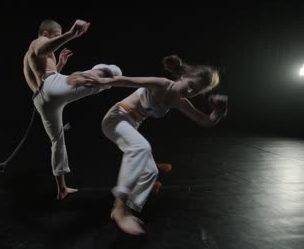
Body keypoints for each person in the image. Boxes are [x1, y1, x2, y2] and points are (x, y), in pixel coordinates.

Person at [69, 55, 228, 235]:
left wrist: (220, 110)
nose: (190, 92)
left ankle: (126, 209)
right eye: (190, 85)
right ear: (184, 76)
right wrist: (100, 80)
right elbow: (126, 81)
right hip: (116, 118)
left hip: (131, 125)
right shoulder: (161, 83)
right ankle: (119, 208)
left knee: (151, 171)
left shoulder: (179, 101)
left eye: (196, 91)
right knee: (142, 148)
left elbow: (205, 121)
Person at [23, 19, 123, 200]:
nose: (58, 40)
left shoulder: (34, 57)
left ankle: (61, 189)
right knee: (113, 71)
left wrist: (60, 64)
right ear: (45, 34)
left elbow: (43, 74)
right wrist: (70, 34)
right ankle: (118, 80)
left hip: (42, 100)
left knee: (57, 141)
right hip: (50, 86)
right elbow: (41, 51)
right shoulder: (38, 42)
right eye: (56, 36)